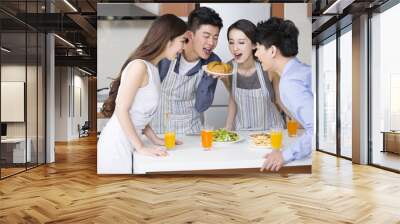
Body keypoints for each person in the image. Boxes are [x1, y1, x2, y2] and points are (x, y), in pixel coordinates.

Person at [97, 14, 187, 174]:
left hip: (129, 141)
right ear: (168, 40)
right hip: (116, 144)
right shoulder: (139, 67)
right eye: (182, 41)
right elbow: (121, 109)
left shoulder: (153, 69)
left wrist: (155, 139)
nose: (183, 47)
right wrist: (141, 147)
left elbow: (139, 113)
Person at [151, 7, 223, 135]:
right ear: (190, 35)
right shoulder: (169, 53)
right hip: (159, 131)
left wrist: (209, 79)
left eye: (215, 37)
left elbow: (201, 106)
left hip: (190, 132)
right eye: (206, 36)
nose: (211, 42)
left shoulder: (213, 63)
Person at [254, 17, 314, 172]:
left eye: (259, 48)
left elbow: (319, 131)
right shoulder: (303, 70)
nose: (256, 55)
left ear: (272, 51)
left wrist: (285, 155)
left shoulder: (290, 83)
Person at [221, 19, 285, 131]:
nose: (235, 48)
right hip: (242, 133)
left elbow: (280, 100)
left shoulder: (267, 67)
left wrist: (300, 119)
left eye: (241, 42)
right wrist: (228, 126)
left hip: (271, 132)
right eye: (231, 42)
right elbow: (233, 99)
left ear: (254, 45)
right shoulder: (227, 68)